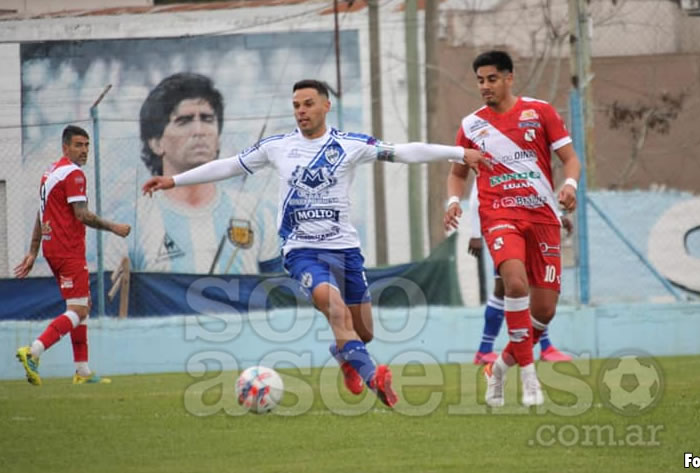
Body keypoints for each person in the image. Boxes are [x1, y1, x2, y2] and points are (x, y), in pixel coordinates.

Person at [143, 79, 489, 407]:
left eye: (308, 104)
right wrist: (174, 179)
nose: (301, 111)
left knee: (362, 333)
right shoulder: (278, 147)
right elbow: (230, 166)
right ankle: (374, 377)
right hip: (301, 251)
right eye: (296, 105)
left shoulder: (350, 145)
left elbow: (404, 152)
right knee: (336, 311)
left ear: (326, 106)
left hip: (346, 250)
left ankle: (346, 356)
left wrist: (459, 152)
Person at [445, 50, 581, 407]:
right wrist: (453, 202)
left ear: (509, 78)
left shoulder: (541, 112)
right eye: (480, 80)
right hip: (499, 215)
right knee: (514, 283)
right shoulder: (471, 125)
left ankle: (500, 367)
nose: (485, 86)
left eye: (491, 78)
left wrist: (570, 185)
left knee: (545, 310)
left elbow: (570, 159)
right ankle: (530, 377)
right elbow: (457, 173)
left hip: (542, 218)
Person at [122, 72, 279, 273]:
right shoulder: (131, 223)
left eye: (207, 119)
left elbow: (278, 294)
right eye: (184, 120)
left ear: (219, 137)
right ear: (156, 142)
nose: (199, 130)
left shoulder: (258, 213)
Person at [15, 125, 132, 385]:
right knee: (79, 309)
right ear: (65, 147)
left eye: (87, 145)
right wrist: (114, 227)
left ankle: (82, 371)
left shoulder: (50, 172)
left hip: (52, 248)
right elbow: (82, 215)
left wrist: (33, 251)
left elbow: (41, 213)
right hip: (68, 250)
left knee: (81, 307)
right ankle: (34, 350)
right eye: (79, 145)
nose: (84, 150)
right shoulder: (73, 173)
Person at [467, 180, 573, 365]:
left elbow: (532, 195)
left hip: (528, 229)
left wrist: (555, 216)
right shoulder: (491, 157)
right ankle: (486, 349)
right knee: (508, 288)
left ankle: (542, 346)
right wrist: (475, 233)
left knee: (532, 287)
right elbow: (476, 196)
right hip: (505, 231)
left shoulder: (523, 160)